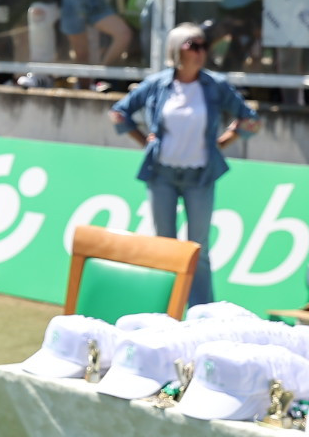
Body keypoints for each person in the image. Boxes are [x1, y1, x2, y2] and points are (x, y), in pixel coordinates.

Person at [109, 24, 259, 305]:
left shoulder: (215, 85)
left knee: (198, 250)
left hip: (200, 176)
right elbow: (119, 113)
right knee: (164, 246)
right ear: (177, 49)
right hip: (161, 174)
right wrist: (145, 141)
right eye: (194, 46)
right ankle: (165, 308)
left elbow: (250, 119)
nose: (201, 52)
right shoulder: (157, 83)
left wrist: (221, 143)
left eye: (204, 46)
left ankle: (201, 311)